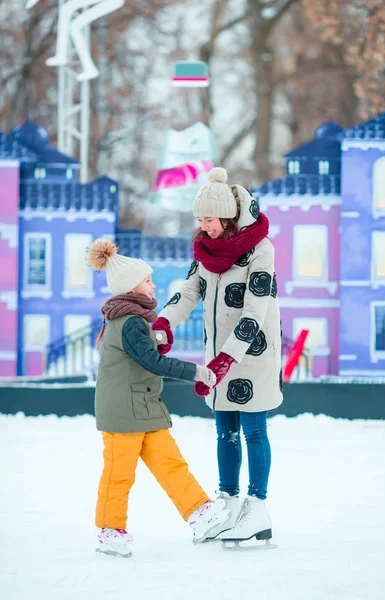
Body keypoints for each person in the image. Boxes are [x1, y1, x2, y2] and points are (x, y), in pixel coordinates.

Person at [152, 167, 283, 544]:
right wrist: (164, 322)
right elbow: (190, 290)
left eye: (208, 219)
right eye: (200, 219)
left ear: (226, 217)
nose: (203, 225)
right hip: (216, 357)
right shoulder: (206, 250)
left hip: (252, 354)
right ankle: (227, 501)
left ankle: (257, 507)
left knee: (253, 431)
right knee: (224, 430)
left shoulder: (261, 250)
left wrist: (226, 359)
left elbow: (255, 312)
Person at [87, 237, 229, 558]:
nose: (153, 286)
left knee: (171, 464)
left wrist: (158, 337)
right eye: (148, 281)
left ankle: (200, 514)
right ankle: (110, 530)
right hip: (124, 411)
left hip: (145, 406)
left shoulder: (136, 322)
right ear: (131, 287)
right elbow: (151, 361)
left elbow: (146, 353)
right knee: (118, 473)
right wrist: (194, 371)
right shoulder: (130, 323)